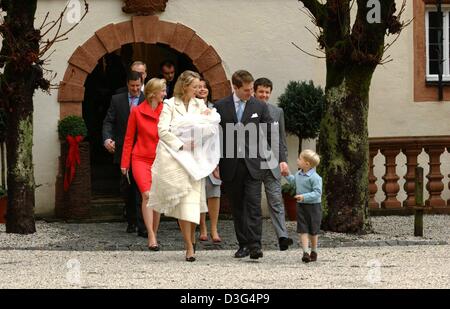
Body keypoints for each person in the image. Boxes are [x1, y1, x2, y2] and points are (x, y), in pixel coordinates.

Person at [148, 70, 220, 262]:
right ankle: (189, 245)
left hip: (195, 159)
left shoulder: (200, 104)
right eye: (195, 86)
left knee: (193, 204)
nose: (199, 90)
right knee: (182, 205)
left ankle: (191, 242)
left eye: (199, 86)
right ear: (185, 86)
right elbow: (162, 130)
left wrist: (200, 135)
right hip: (176, 158)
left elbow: (207, 128)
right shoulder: (170, 104)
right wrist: (181, 144)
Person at [214, 70, 273, 260]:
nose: (250, 93)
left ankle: (256, 245)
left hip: (254, 164)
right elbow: (215, 137)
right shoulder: (220, 106)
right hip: (230, 164)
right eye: (246, 90)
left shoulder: (259, 106)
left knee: (254, 205)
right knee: (238, 207)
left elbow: (270, 132)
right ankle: (243, 245)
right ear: (235, 87)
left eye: (251, 89)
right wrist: (215, 163)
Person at [121, 78, 166, 250]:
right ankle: (151, 235)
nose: (164, 93)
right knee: (147, 195)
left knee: (157, 198)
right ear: (153, 93)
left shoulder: (167, 110)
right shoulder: (137, 111)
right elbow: (128, 138)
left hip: (161, 159)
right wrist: (124, 163)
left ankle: (154, 232)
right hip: (140, 158)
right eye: (162, 90)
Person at [254, 78, 293, 251]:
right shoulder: (248, 110)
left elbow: (281, 140)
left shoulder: (277, 112)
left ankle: (282, 236)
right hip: (253, 164)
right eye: (261, 91)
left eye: (267, 92)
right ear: (255, 91)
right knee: (253, 204)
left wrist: (283, 160)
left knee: (276, 200)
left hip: (272, 163)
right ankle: (254, 242)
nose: (264, 95)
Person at [102, 71, 144, 235]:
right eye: (132, 86)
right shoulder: (117, 99)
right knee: (127, 188)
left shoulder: (147, 99)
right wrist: (107, 139)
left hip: (142, 150)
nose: (135, 89)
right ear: (127, 84)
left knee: (142, 189)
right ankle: (131, 221)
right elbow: (108, 121)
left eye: (138, 86)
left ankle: (142, 224)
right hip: (123, 150)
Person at [284, 149, 322, 263]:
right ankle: (305, 252)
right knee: (303, 230)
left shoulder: (315, 178)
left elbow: (317, 193)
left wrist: (304, 196)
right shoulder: (298, 174)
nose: (297, 160)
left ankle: (314, 251)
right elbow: (294, 182)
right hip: (301, 207)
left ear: (307, 164)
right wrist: (287, 175)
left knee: (313, 231)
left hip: (314, 207)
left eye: (300, 159)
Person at [196, 78, 222, 243]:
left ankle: (214, 229)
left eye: (205, 86)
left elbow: (219, 136)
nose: (202, 89)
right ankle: (203, 228)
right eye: (199, 87)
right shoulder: (189, 109)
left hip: (212, 157)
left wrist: (217, 161)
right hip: (196, 157)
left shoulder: (215, 109)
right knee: (199, 193)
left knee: (214, 192)